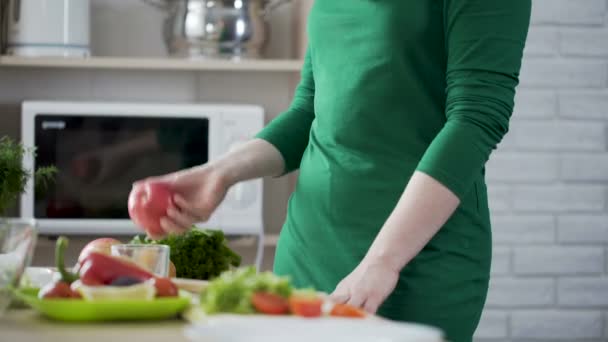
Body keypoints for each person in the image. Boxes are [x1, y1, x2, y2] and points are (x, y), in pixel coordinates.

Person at [134, 2, 531, 341]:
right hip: (306, 255)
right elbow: (310, 110)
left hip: (414, 265)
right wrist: (219, 172)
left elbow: (476, 119)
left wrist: (383, 261)